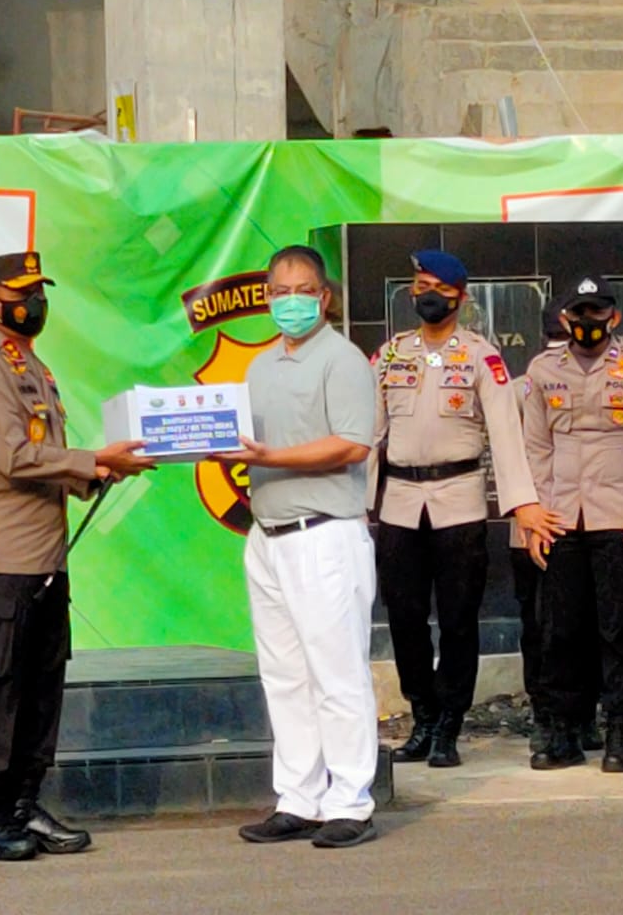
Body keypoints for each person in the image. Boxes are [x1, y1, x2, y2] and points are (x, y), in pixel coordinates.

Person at [0, 251, 153, 861]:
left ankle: (23, 806)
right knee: (1, 693)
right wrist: (93, 461)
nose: (33, 303)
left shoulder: (32, 368)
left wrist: (96, 476)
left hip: (43, 558)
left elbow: (46, 459)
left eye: (39, 292)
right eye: (21, 294)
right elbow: (13, 458)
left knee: (42, 691)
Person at [373, 250, 562, 769]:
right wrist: (356, 503)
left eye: (436, 285)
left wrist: (522, 505)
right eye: (419, 283)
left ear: (460, 296)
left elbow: (505, 436)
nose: (425, 293)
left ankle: (449, 725)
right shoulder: (391, 354)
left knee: (457, 619)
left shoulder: (481, 357)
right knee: (405, 616)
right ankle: (423, 714)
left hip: (459, 499)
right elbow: (370, 435)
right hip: (400, 503)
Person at [221, 244, 379, 849]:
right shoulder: (261, 367)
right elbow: (246, 441)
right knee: (284, 673)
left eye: (301, 289)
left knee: (335, 672)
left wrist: (269, 459)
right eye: (278, 291)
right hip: (269, 535)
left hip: (324, 532)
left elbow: (350, 444)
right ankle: (299, 796)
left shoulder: (342, 360)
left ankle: (351, 800)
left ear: (324, 296)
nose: (289, 301)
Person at [523, 275, 623, 773]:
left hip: (621, 514)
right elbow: (536, 446)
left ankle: (619, 731)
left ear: (614, 316)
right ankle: (565, 730)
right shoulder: (544, 370)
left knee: (618, 629)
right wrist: (534, 513)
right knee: (560, 631)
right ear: (565, 318)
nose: (588, 322)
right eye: (579, 312)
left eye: (597, 312)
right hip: (561, 517)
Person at [512, 297, 603, 757]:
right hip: (535, 525)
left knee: (585, 622)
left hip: (581, 519)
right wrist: (528, 518)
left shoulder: (597, 375)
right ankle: (547, 715)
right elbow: (518, 458)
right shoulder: (522, 386)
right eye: (550, 339)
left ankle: (584, 715)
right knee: (542, 628)